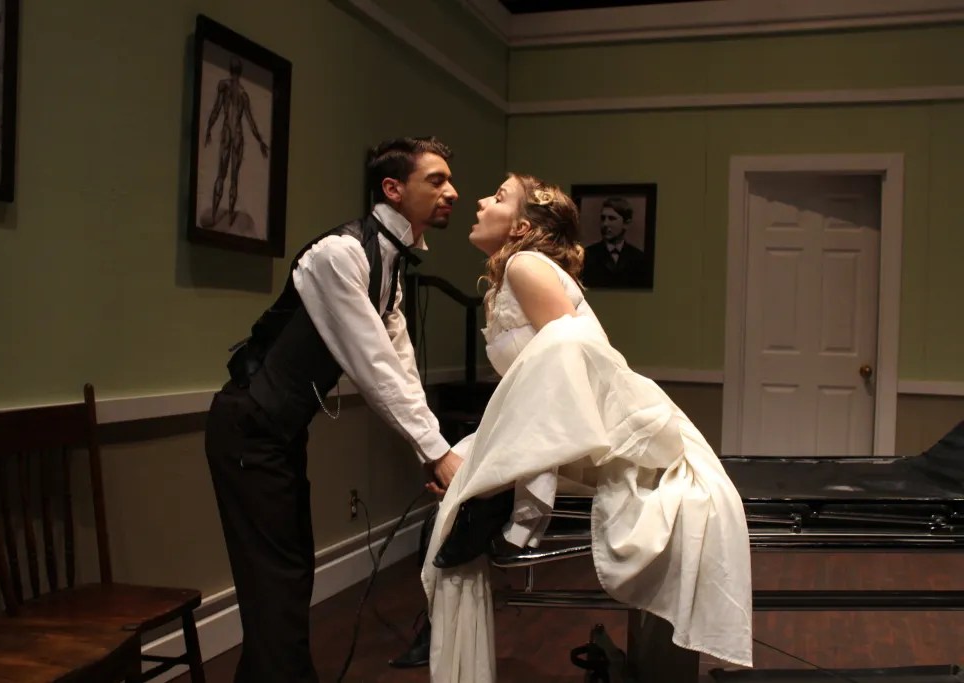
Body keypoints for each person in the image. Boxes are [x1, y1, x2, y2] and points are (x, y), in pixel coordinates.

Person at [419, 173, 752, 682]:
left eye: (499, 197)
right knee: (453, 497)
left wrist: (508, 486)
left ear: (521, 226)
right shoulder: (510, 275)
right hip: (562, 422)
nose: (480, 201)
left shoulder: (526, 265)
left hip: (593, 426)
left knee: (461, 502)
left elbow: (568, 364)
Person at [204, 136, 464, 683]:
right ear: (393, 189)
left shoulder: (387, 262)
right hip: (248, 425)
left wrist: (432, 451)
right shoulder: (339, 255)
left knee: (290, 571)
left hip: (279, 432)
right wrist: (437, 454)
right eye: (436, 180)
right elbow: (373, 365)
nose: (452, 192)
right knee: (275, 579)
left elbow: (401, 368)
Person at [203, 56, 270, 231]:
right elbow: (250, 121)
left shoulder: (224, 87)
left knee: (222, 174)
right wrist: (260, 140)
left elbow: (217, 109)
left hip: (227, 132)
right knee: (233, 178)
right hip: (237, 135)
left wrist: (209, 128)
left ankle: (217, 215)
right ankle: (229, 217)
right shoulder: (242, 94)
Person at [581, 196, 653, 288]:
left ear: (626, 223)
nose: (605, 224)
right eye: (603, 218)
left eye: (612, 218)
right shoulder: (587, 255)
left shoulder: (639, 258)